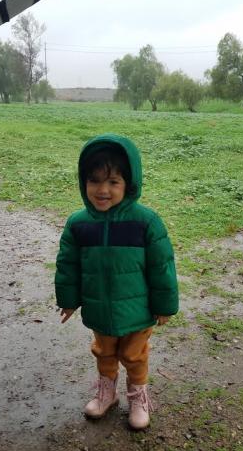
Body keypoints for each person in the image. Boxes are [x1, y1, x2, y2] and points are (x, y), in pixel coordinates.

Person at [55, 134, 178, 430]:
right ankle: (106, 393)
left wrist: (164, 306)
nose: (102, 190)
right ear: (84, 182)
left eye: (113, 182)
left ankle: (138, 397)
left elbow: (162, 267)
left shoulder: (145, 222)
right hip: (99, 309)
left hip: (138, 311)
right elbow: (68, 265)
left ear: (129, 184)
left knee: (133, 355)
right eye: (94, 181)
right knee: (104, 352)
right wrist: (69, 301)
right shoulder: (78, 224)